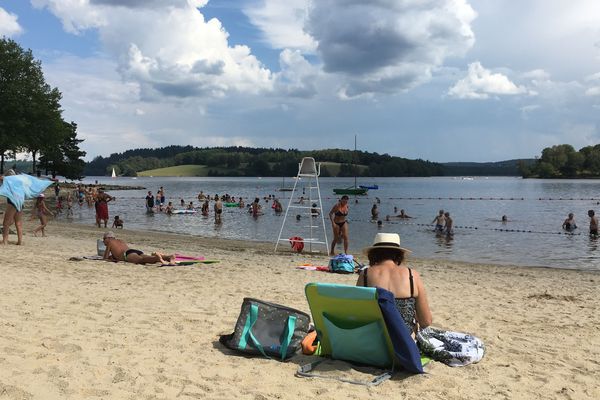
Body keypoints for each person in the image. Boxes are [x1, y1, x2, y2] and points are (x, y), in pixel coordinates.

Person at [356, 233, 432, 337]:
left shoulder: (365, 275)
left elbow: (359, 314)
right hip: (404, 342)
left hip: (375, 339)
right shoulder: (412, 275)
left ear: (373, 254)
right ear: (399, 254)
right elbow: (426, 321)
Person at [101, 231, 175, 264]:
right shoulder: (120, 241)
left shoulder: (110, 242)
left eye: (104, 239)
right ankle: (168, 257)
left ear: (108, 238)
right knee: (145, 257)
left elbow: (105, 258)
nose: (103, 241)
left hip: (127, 255)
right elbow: (118, 252)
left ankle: (157, 258)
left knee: (142, 260)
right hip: (133, 251)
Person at [1, 170, 23, 245]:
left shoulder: (9, 182)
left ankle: (5, 241)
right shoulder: (19, 183)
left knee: (6, 223)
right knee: (18, 223)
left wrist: (4, 177)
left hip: (12, 203)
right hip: (20, 202)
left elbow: (2, 178)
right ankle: (20, 241)